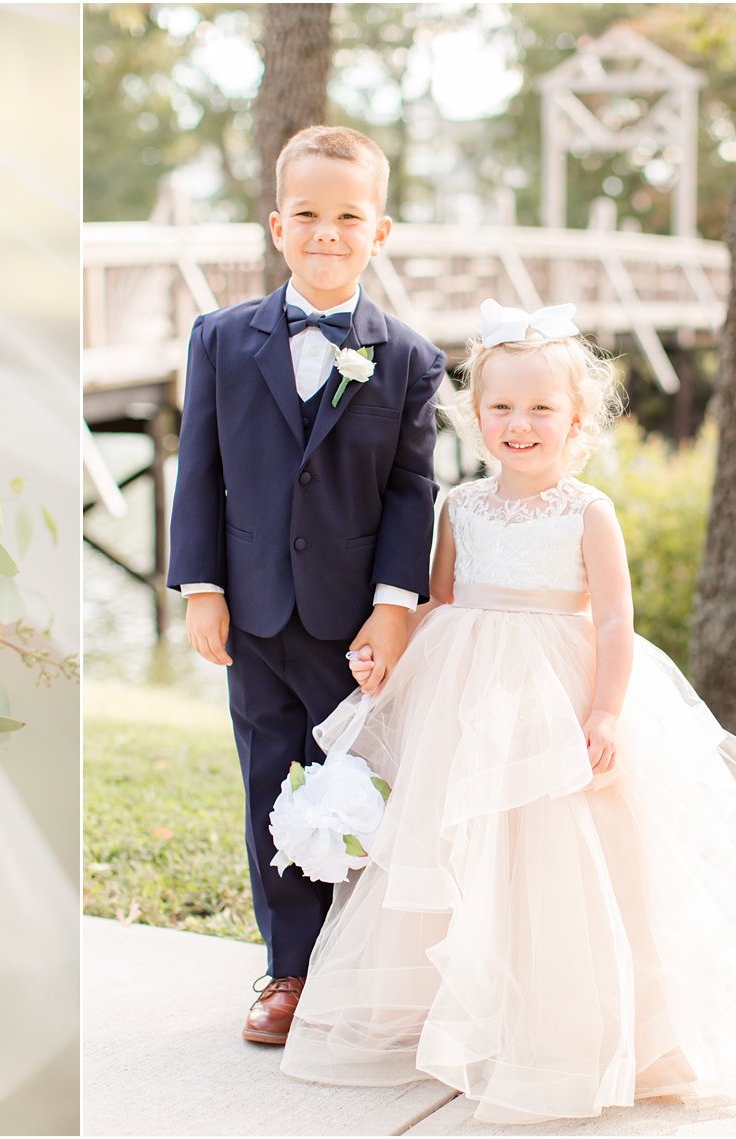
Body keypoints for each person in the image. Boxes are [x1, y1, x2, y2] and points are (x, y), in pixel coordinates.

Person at [281, 300, 736, 1124]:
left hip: (557, 690)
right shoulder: (459, 506)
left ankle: (566, 1025)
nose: (520, 424)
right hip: (467, 692)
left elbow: (613, 620)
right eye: (501, 407)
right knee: (469, 851)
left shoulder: (587, 510)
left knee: (568, 858)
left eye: (542, 408)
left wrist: (605, 712)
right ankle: (466, 1012)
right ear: (475, 414)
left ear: (577, 420)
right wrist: (386, 658)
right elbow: (439, 600)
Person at [167, 124, 446, 1043]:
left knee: (359, 786)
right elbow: (198, 466)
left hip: (354, 623)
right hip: (252, 611)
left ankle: (359, 965)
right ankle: (287, 970)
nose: (329, 231)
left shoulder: (407, 358)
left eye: (350, 216)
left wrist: (395, 606)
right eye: (310, 215)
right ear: (277, 225)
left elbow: (412, 488)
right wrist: (201, 584)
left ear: (381, 231)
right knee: (269, 785)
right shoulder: (219, 339)